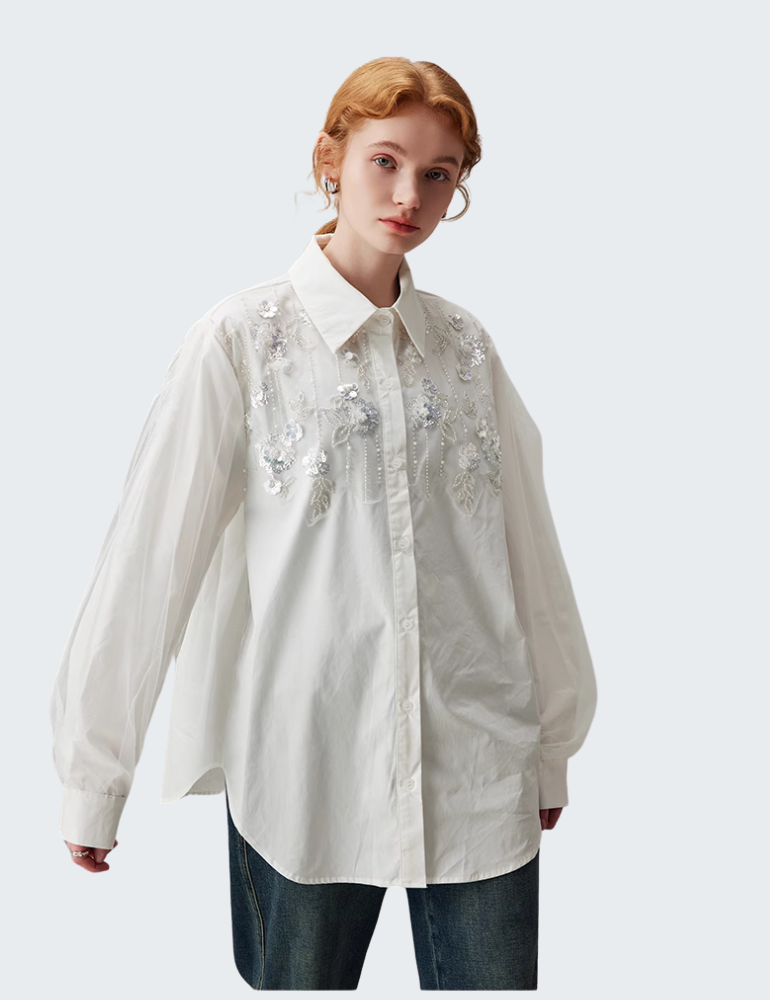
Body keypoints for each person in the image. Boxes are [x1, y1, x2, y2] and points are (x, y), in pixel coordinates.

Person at [52, 56, 598, 990]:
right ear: (330, 159)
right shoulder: (240, 341)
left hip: (477, 765)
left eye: (438, 174)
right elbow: (149, 562)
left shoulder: (466, 349)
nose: (410, 195)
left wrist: (551, 746)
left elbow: (528, 554)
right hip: (304, 774)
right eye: (386, 161)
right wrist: (94, 776)